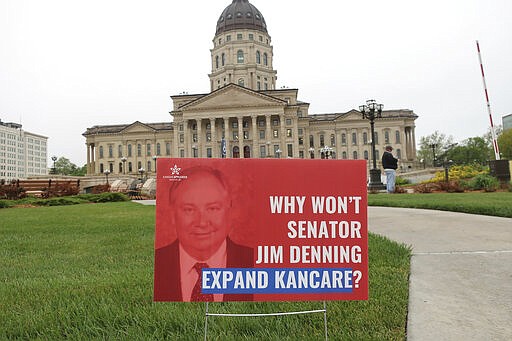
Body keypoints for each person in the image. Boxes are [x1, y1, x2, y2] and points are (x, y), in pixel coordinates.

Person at [154, 166, 253, 302]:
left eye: (212, 208)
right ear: (172, 215)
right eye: (189, 210)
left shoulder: (254, 262)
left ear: (230, 211)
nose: (201, 222)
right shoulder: (159, 264)